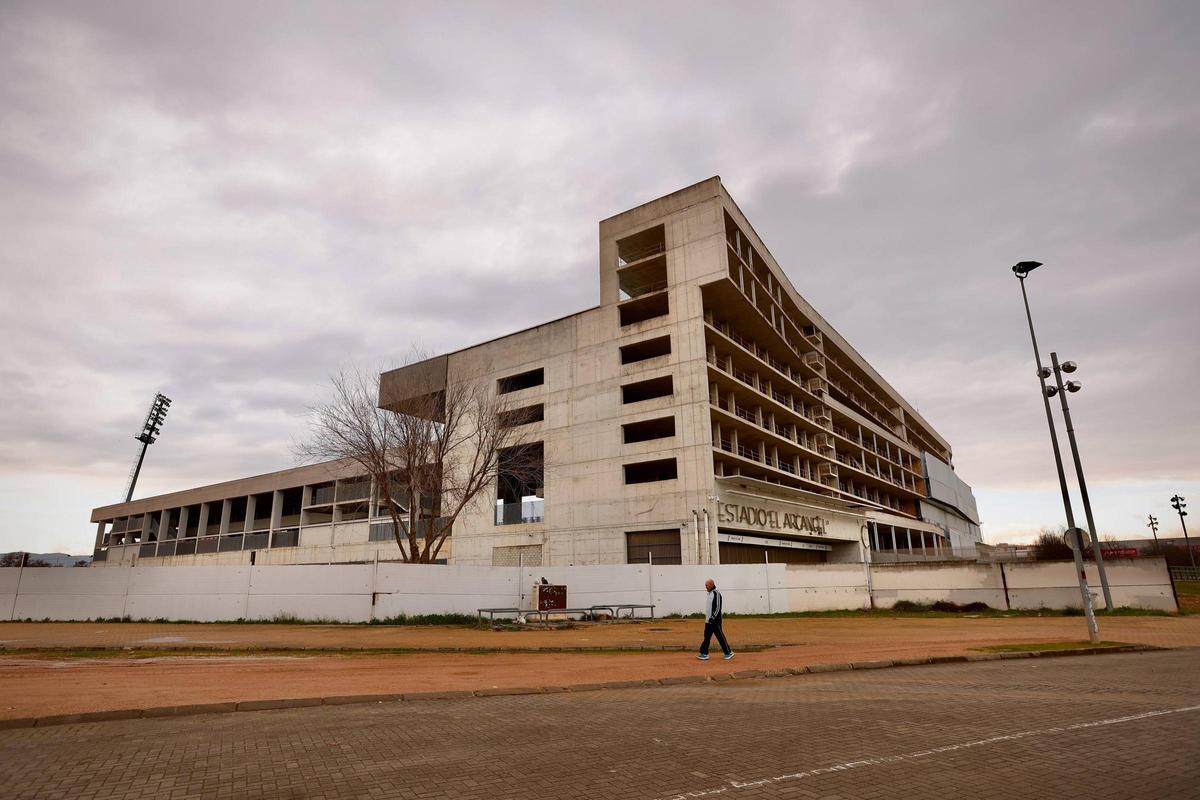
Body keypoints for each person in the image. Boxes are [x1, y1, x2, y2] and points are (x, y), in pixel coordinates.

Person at [697, 578, 733, 661]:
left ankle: (728, 653)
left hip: (715, 621)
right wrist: (707, 619)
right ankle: (704, 653)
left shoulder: (716, 594)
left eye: (706, 585)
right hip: (708, 621)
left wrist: (713, 618)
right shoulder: (709, 594)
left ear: (711, 585)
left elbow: (717, 608)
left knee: (720, 637)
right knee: (707, 637)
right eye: (705, 585)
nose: (705, 587)